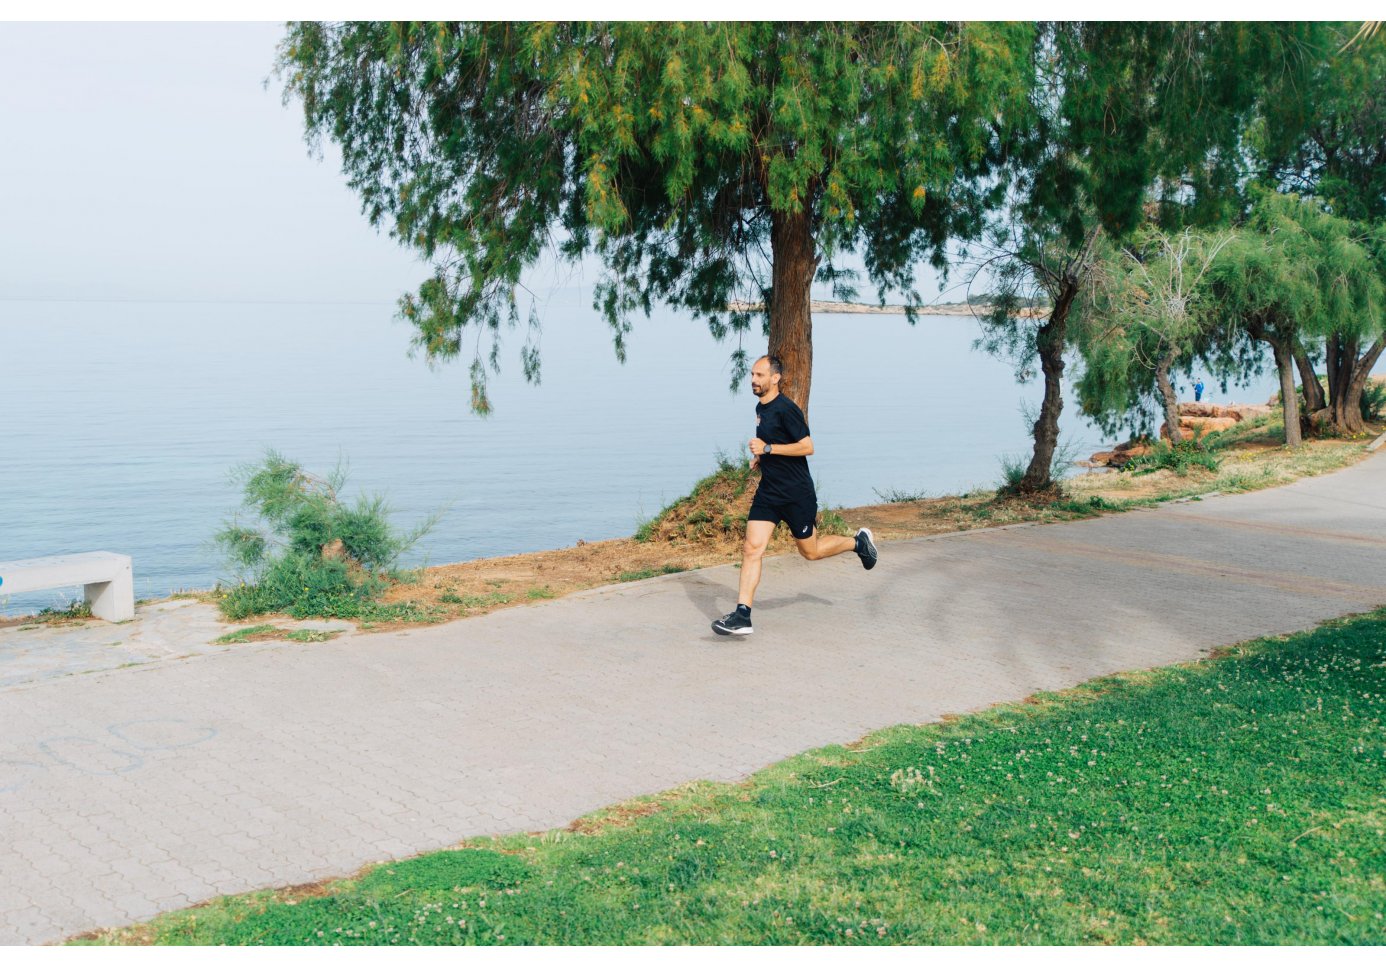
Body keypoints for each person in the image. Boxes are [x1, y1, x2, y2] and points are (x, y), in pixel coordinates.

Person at [712, 354, 877, 636]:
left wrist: (767, 450)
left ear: (775, 378)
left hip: (796, 494)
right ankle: (742, 615)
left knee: (810, 552)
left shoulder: (788, 409)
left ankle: (857, 543)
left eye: (760, 375)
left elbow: (807, 446)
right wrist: (762, 460)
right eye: (752, 374)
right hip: (769, 493)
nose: (753, 380)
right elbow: (774, 444)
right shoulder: (760, 407)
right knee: (752, 548)